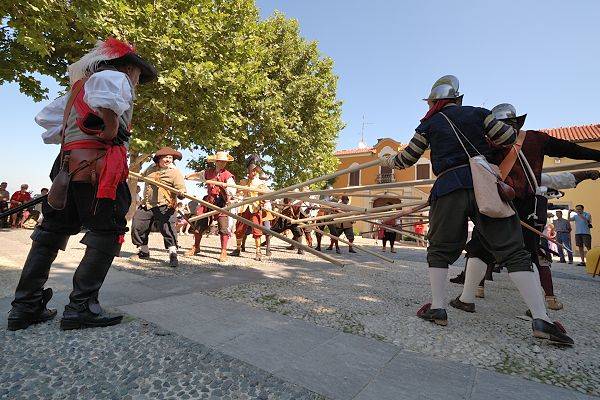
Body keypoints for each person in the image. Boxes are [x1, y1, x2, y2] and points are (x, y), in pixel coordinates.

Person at [380, 75, 573, 345]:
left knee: (439, 248)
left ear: (434, 102)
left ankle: (438, 307)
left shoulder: (429, 123)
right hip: (485, 183)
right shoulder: (480, 114)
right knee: (514, 251)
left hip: (448, 188)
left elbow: (406, 159)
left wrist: (385, 159)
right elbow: (508, 137)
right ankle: (542, 319)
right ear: (458, 99)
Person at [7, 38, 157, 331]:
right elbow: (108, 114)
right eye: (138, 73)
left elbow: (52, 130)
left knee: (51, 231)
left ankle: (24, 307)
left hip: (66, 169)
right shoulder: (114, 77)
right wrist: (112, 125)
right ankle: (81, 307)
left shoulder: (76, 90)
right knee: (107, 231)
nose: (137, 80)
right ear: (128, 67)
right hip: (99, 169)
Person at [453, 103, 600, 311]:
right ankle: (537, 309)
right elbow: (570, 149)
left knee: (481, 248)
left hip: (497, 204)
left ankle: (469, 299)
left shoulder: (486, 145)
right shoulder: (534, 139)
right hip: (525, 206)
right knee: (524, 254)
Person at [131, 147, 186, 268]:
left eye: (170, 158)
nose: (168, 160)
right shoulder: (151, 168)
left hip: (164, 205)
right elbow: (142, 177)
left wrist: (181, 192)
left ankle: (173, 255)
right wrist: (130, 173)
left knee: (168, 230)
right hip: (147, 204)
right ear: (159, 159)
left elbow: (181, 188)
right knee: (137, 225)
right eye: (166, 157)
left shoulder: (174, 172)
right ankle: (144, 251)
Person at [185, 151, 236, 262]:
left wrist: (226, 187)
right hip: (208, 201)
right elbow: (199, 175)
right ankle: (196, 247)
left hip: (221, 203)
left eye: (224, 162)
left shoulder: (228, 176)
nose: (222, 163)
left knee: (223, 228)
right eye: (220, 161)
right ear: (216, 161)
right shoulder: (209, 172)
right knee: (199, 223)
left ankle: (223, 251)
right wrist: (189, 176)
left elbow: (232, 191)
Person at [231, 155, 268, 260]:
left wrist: (262, 201)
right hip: (243, 207)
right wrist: (236, 197)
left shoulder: (261, 183)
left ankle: (258, 251)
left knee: (257, 230)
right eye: (251, 170)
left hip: (255, 208)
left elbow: (264, 196)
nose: (253, 172)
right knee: (239, 229)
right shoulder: (243, 182)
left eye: (255, 170)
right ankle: (238, 249)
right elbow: (238, 194)